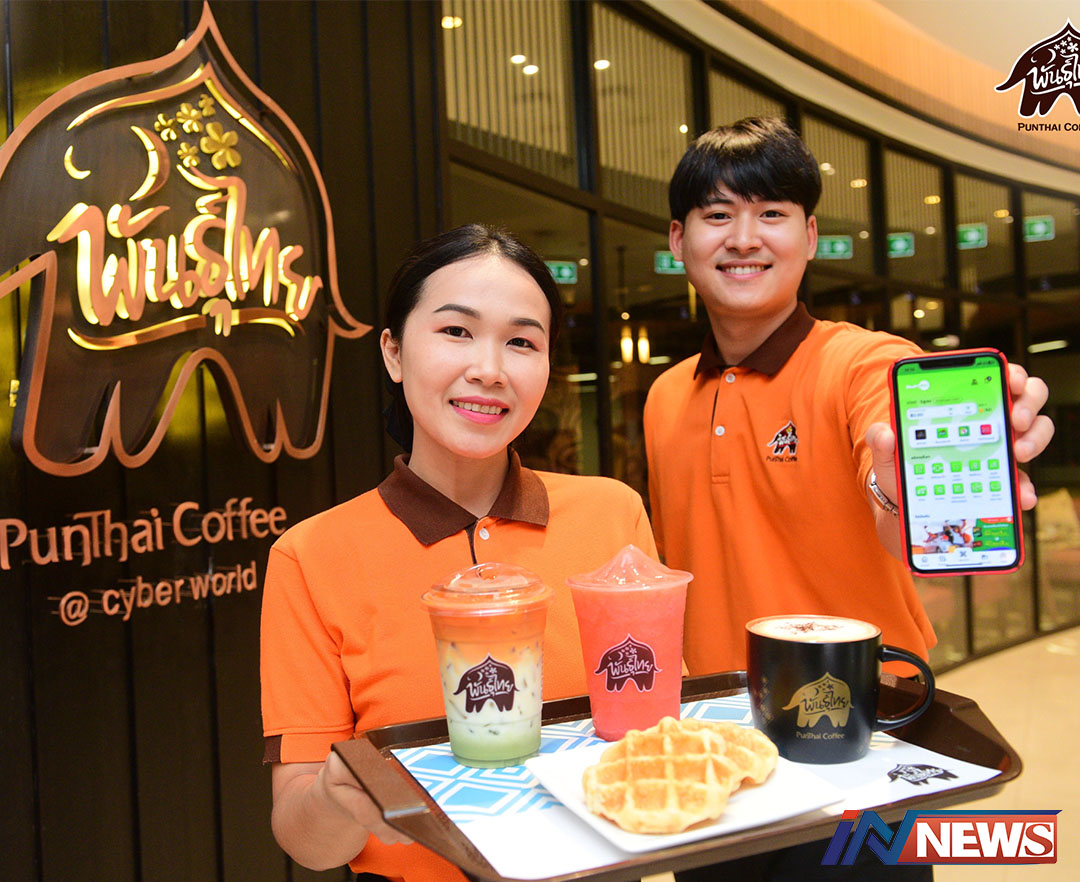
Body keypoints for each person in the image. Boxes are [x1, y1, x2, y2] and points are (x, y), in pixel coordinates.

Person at [645, 118, 1054, 881]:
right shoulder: (665, 396)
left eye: (771, 213)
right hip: (713, 746)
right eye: (717, 214)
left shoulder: (862, 362)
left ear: (809, 236)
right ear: (678, 239)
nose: (744, 238)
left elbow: (887, 464)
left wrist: (904, 490)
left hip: (858, 738)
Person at [260, 224, 656, 882]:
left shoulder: (613, 515)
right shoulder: (311, 557)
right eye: (455, 331)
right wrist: (336, 798)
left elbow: (657, 725)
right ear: (393, 352)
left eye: (522, 341)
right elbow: (308, 841)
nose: (489, 370)